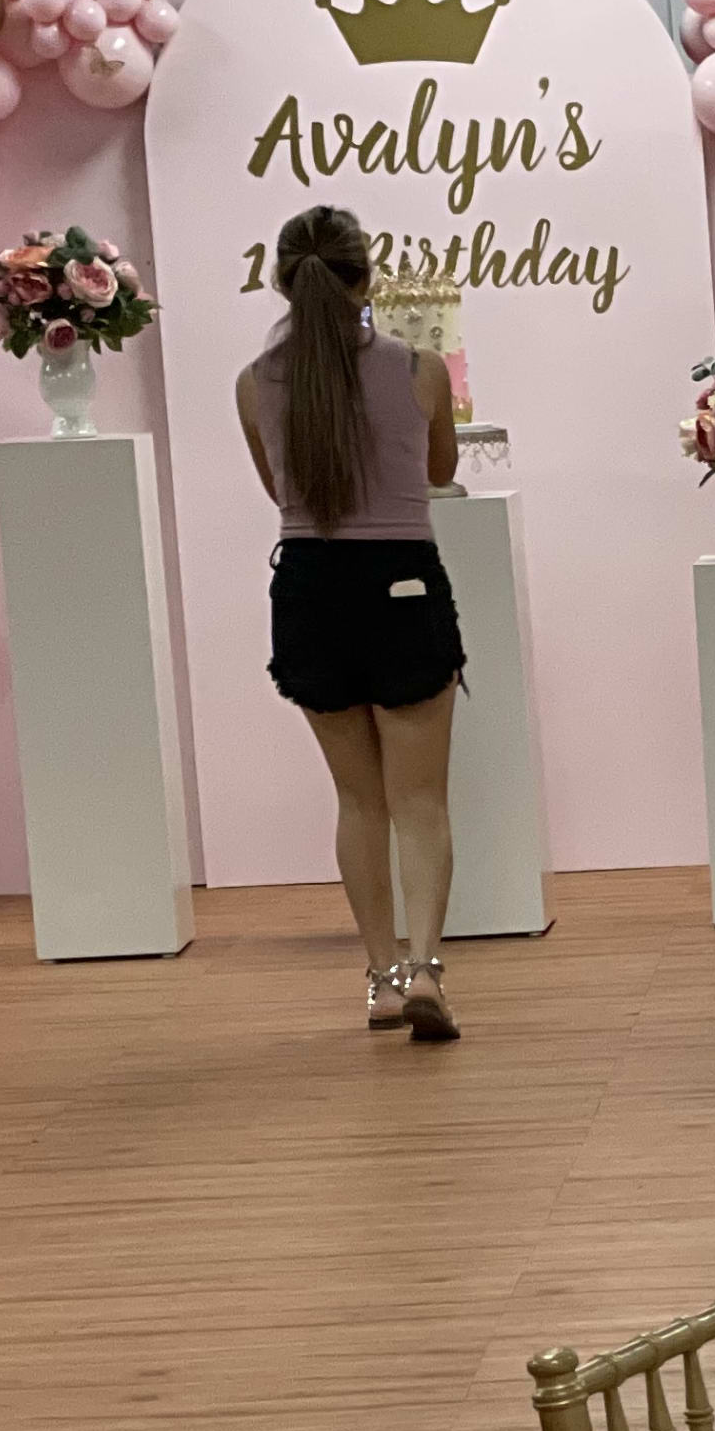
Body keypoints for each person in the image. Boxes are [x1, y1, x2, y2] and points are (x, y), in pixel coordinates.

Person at [236, 205, 465, 1040]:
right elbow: (439, 469)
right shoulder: (422, 368)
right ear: (367, 277)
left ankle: (380, 978)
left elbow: (281, 494)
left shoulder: (253, 382)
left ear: (283, 283)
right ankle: (428, 968)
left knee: (359, 801)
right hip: (402, 580)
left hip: (310, 586)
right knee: (420, 802)